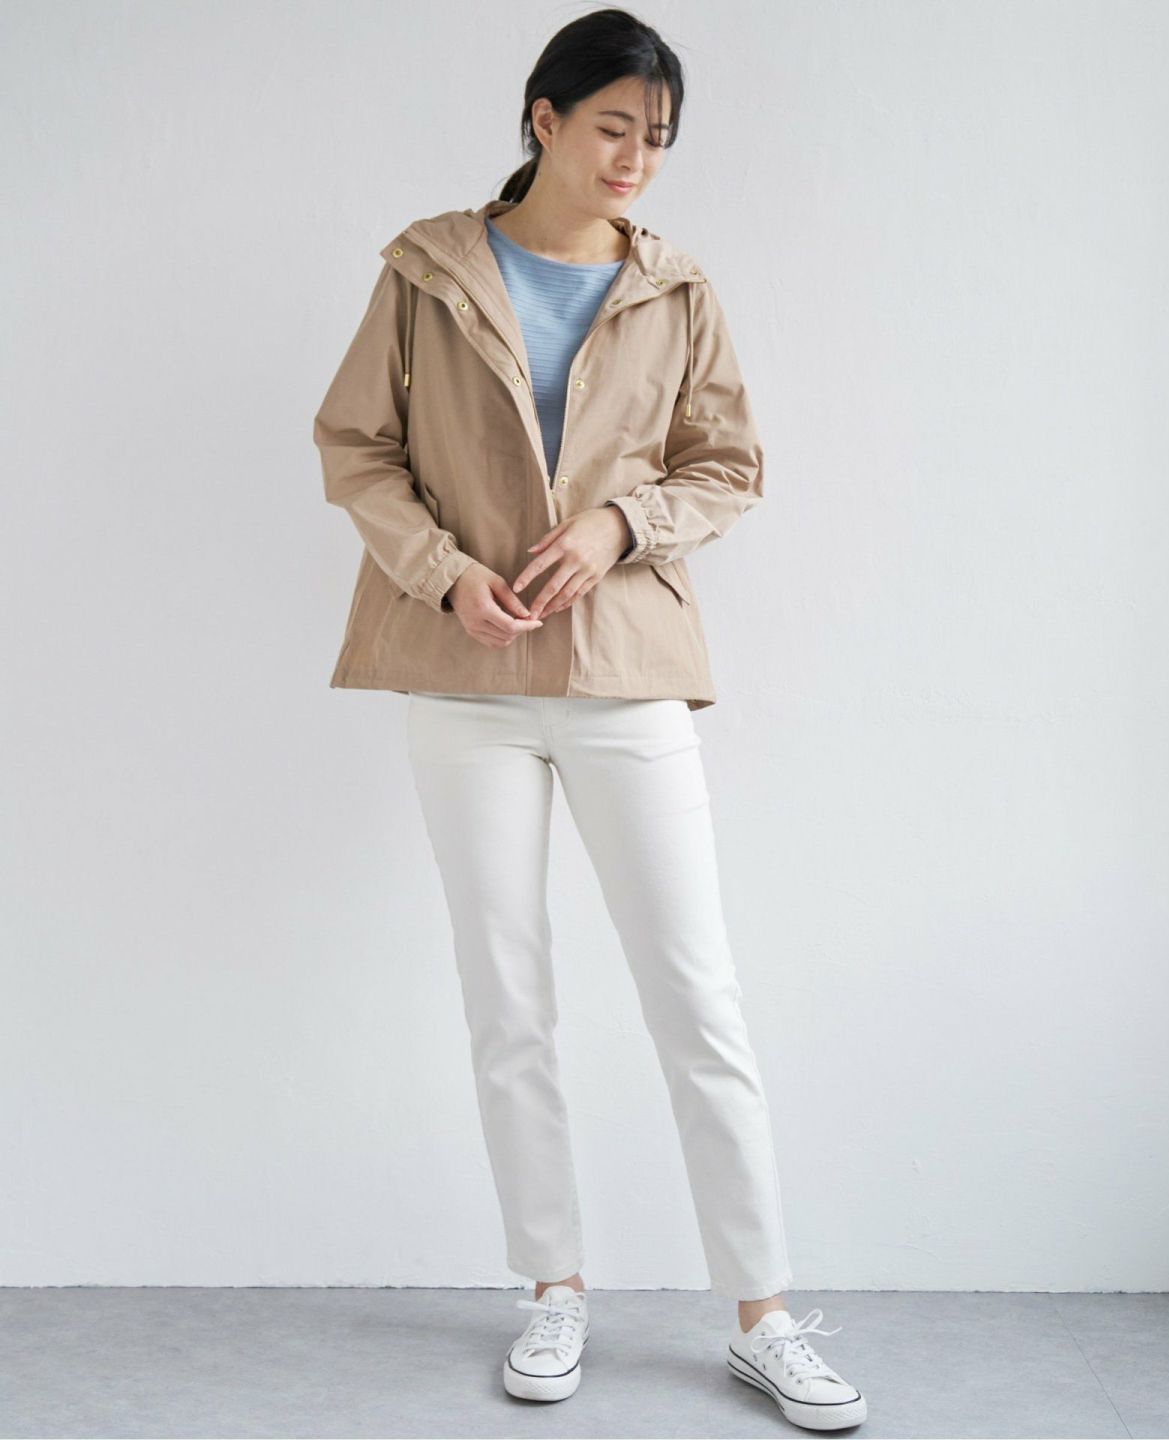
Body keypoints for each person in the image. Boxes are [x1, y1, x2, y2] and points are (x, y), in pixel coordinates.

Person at [312, 7, 866, 1430]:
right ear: (544, 116)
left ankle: (763, 1314)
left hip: (624, 670)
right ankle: (553, 1291)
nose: (637, 158)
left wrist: (623, 525)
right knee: (509, 998)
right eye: (615, 126)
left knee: (696, 994)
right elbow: (357, 447)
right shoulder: (428, 269)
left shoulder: (677, 289)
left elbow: (726, 464)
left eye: (658, 137)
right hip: (465, 674)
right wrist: (443, 573)